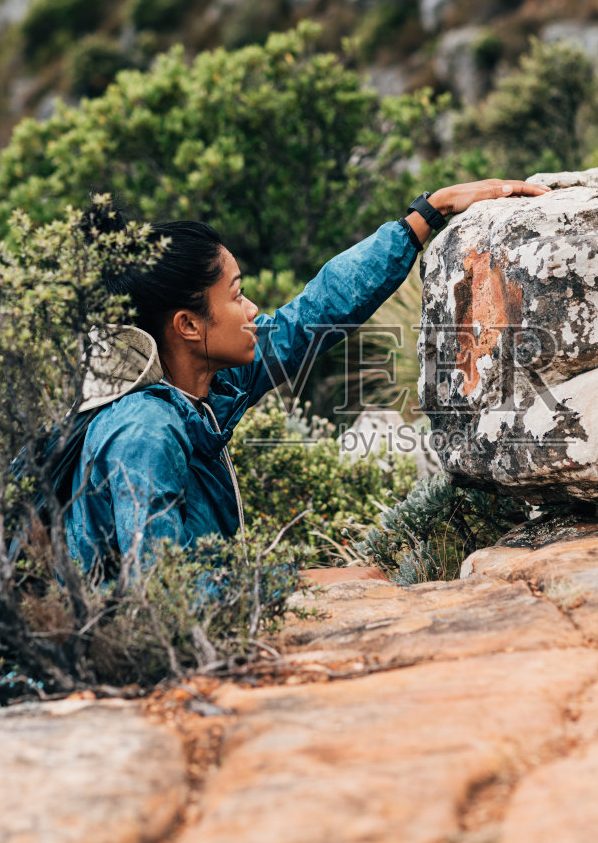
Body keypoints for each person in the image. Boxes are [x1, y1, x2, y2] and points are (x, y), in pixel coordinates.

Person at [64, 180, 550, 576]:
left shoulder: (210, 384)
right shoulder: (143, 432)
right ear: (188, 326)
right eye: (236, 296)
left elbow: (318, 308)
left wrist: (428, 212)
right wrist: (286, 584)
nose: (252, 309)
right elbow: (163, 596)